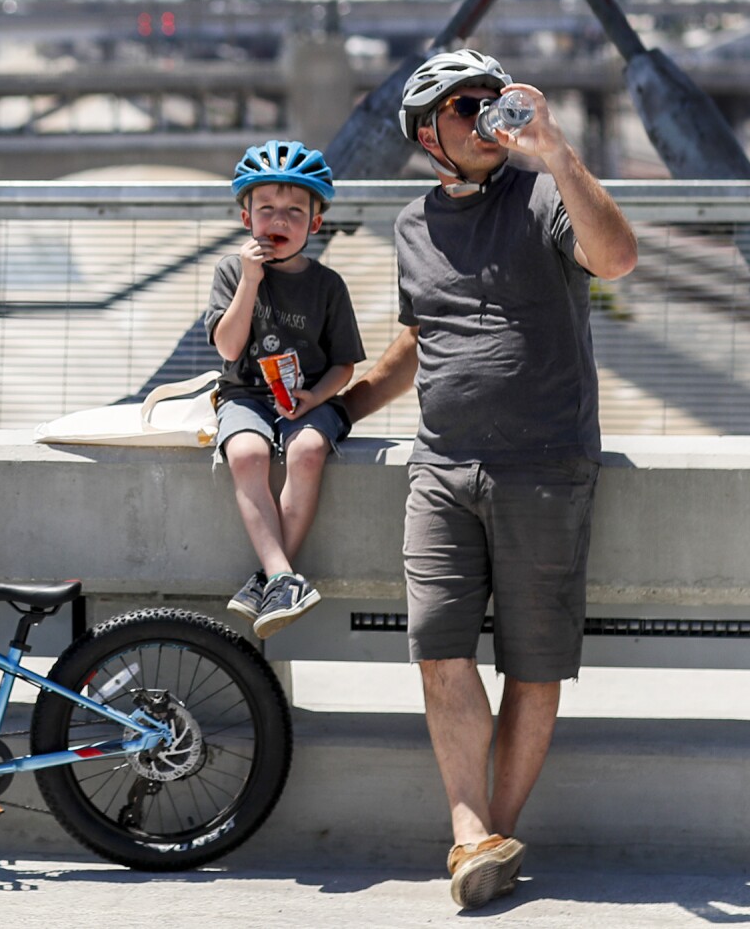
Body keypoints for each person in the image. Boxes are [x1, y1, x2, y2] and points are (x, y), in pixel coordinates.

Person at [338, 49, 637, 910]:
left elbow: (616, 259)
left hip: (545, 461)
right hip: (440, 465)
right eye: (465, 107)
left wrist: (556, 151)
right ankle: (473, 834)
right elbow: (417, 342)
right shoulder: (412, 225)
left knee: (533, 662)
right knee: (437, 648)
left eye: (491, 101)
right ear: (426, 131)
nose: (484, 118)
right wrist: (339, 411)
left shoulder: (543, 191)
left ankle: (486, 838)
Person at [204, 139, 366, 639]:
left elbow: (344, 366)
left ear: (315, 224)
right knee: (248, 454)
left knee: (309, 450)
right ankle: (282, 577)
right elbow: (229, 350)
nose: (279, 220)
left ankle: (274, 578)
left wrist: (315, 399)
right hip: (246, 395)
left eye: (295, 211)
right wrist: (250, 281)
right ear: (245, 216)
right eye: (267, 209)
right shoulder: (232, 272)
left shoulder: (328, 285)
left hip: (309, 397)